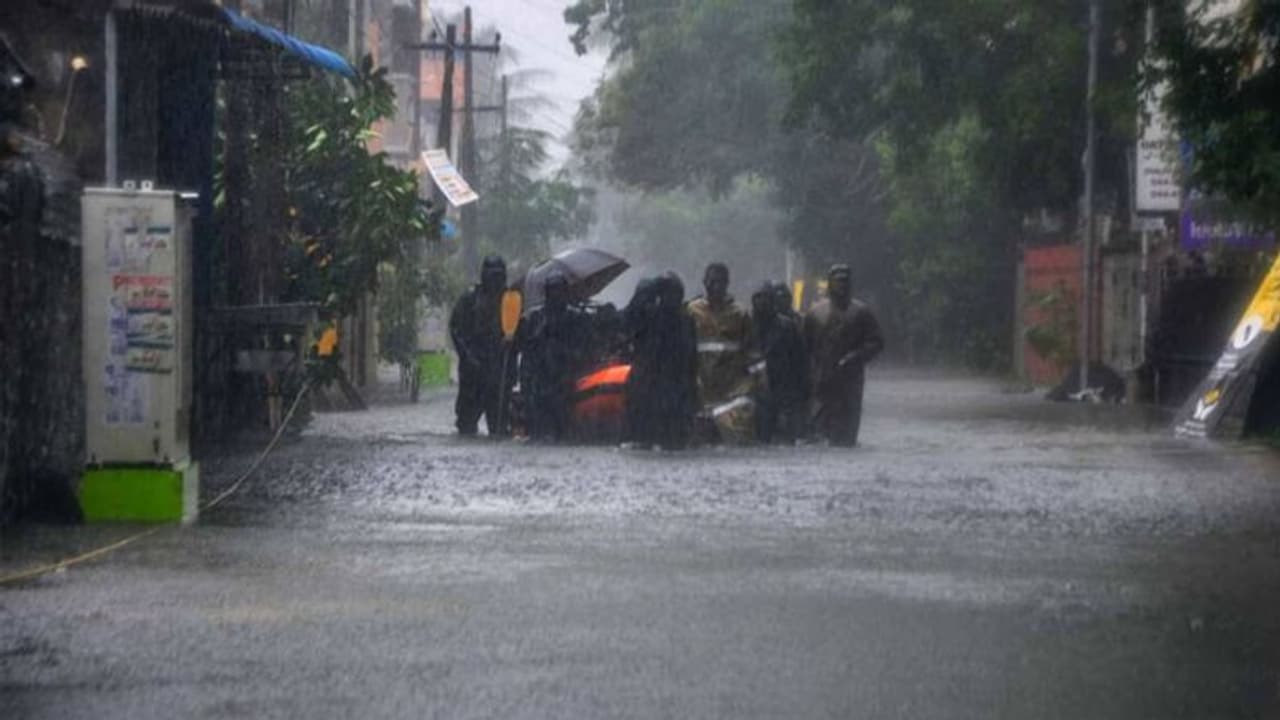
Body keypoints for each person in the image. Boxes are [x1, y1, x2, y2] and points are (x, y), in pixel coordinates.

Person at [803, 265, 884, 447]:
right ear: (829, 283)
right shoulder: (815, 313)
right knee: (819, 435)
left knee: (846, 437)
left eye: (845, 281)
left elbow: (877, 342)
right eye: (837, 280)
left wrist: (855, 357)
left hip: (850, 382)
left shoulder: (861, 312)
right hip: (822, 381)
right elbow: (804, 348)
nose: (841, 285)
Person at [625, 272, 698, 449]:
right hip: (648, 386)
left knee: (673, 438)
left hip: (675, 387)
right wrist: (647, 290)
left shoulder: (686, 321)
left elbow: (691, 359)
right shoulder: (649, 316)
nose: (670, 298)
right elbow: (630, 318)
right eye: (665, 293)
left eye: (673, 293)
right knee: (643, 438)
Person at [518, 273, 589, 442]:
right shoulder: (536, 318)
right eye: (552, 291)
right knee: (538, 432)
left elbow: (584, 346)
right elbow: (526, 348)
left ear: (566, 292)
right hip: (539, 382)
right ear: (547, 294)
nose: (556, 295)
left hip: (564, 380)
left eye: (560, 291)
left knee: (563, 430)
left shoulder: (575, 317)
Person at [449, 255, 512, 436]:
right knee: (466, 425)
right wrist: (468, 356)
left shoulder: (510, 302)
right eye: (492, 276)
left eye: (499, 276)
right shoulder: (469, 299)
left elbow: (520, 330)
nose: (495, 281)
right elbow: (456, 329)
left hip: (500, 372)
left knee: (499, 427)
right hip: (473, 374)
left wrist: (512, 342)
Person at [686, 262, 753, 414]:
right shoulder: (692, 311)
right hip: (701, 386)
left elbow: (750, 350)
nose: (716, 286)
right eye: (712, 281)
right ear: (704, 282)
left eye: (720, 282)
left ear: (727, 284)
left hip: (732, 387)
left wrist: (749, 383)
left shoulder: (740, 313)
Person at [751, 282, 808, 443]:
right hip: (756, 393)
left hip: (784, 392)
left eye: (766, 298)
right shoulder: (746, 324)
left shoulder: (787, 326)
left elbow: (800, 360)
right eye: (757, 298)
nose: (762, 302)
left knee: (784, 439)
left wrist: (801, 393)